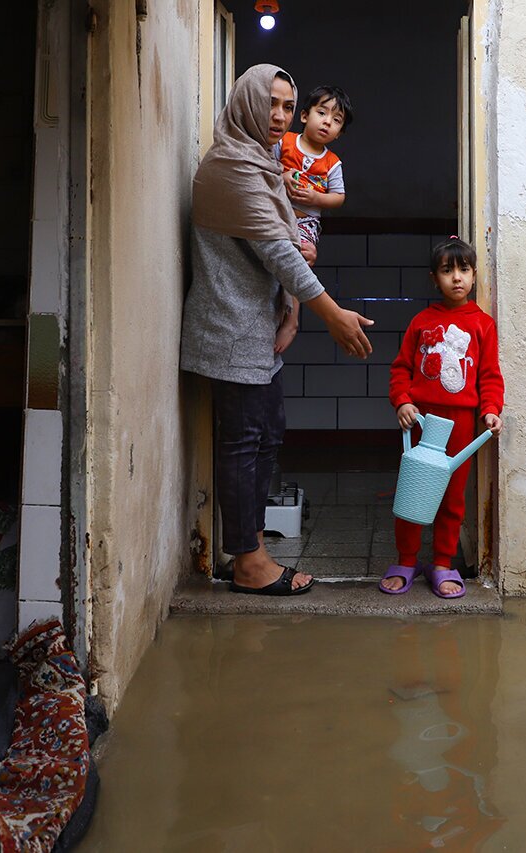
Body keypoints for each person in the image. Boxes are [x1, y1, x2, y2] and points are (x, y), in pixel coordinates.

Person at [181, 64, 374, 596]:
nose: (280, 116)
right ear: (244, 102)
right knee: (244, 442)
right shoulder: (231, 168)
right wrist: (329, 313)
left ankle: (253, 545)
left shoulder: (264, 164)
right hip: (230, 327)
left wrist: (291, 312)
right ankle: (248, 562)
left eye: (288, 106)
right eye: (271, 103)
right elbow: (277, 251)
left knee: (267, 437)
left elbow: (284, 241)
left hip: (258, 329)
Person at [380, 237, 503, 599]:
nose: (456, 278)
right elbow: (400, 369)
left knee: (452, 498)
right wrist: (402, 401)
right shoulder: (422, 321)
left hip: (462, 424)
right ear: (434, 278)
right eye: (447, 270)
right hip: (420, 421)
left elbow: (490, 376)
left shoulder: (483, 325)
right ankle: (406, 560)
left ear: (474, 275)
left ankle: (442, 563)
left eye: (463, 269)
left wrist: (491, 409)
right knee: (413, 492)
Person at [273, 85, 352, 248]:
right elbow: (265, 167)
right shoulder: (284, 141)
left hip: (306, 221)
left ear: (338, 133)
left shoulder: (333, 163)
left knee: (304, 251)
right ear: (304, 116)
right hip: (275, 213)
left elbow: (338, 197)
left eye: (336, 120)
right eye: (322, 113)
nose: (327, 122)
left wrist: (317, 198)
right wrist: (281, 177)